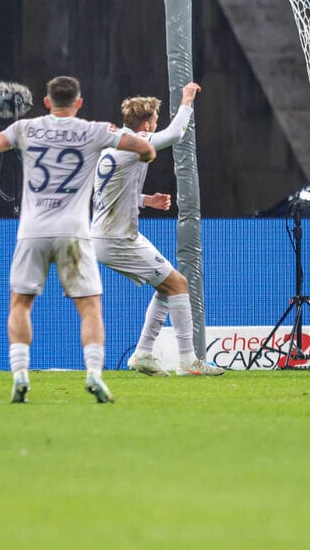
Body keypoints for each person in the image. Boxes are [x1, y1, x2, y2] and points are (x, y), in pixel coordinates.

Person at [0, 75, 156, 403]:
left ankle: (20, 375)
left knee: (21, 304)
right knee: (89, 307)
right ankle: (93, 374)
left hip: (32, 231)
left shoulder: (25, 129)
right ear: (79, 103)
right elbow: (143, 147)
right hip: (73, 233)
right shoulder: (94, 130)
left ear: (47, 102)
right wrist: (145, 155)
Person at [92, 82, 224, 377]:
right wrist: (187, 100)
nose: (156, 125)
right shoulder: (132, 145)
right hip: (117, 239)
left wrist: (146, 200)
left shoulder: (113, 146)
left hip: (110, 235)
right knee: (178, 285)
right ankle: (188, 361)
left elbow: (105, 192)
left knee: (168, 286)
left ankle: (143, 354)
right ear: (146, 124)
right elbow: (175, 134)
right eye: (154, 121)